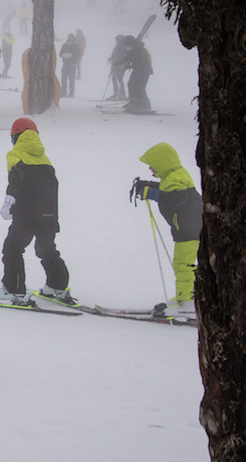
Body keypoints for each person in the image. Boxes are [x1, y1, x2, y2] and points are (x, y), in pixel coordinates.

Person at [0, 118, 74, 304]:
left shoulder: (15, 154)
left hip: (27, 213)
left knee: (13, 248)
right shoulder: (44, 158)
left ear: (16, 136)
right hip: (49, 214)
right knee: (46, 249)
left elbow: (16, 179)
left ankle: (13, 289)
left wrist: (9, 200)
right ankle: (57, 285)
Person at [130, 143, 202, 318]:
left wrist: (152, 193)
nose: (149, 167)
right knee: (182, 265)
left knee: (184, 266)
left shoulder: (176, 179)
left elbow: (177, 198)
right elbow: (167, 190)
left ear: (162, 163)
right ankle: (182, 299)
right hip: (187, 229)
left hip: (189, 231)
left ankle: (187, 304)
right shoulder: (173, 176)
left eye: (152, 163)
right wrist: (148, 186)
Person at [120, 36, 152, 113]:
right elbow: (127, 58)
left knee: (140, 87)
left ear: (133, 44)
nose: (128, 47)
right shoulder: (133, 50)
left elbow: (141, 62)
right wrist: (117, 63)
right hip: (137, 70)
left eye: (129, 45)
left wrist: (130, 66)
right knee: (131, 84)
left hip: (144, 71)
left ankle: (145, 105)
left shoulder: (141, 50)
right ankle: (134, 102)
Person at [106, 35, 128, 101]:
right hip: (115, 65)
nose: (116, 41)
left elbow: (124, 57)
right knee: (115, 79)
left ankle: (121, 95)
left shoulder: (122, 47)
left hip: (120, 66)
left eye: (117, 40)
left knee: (119, 79)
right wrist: (111, 59)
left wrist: (121, 63)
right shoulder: (117, 47)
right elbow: (114, 55)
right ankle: (117, 93)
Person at [59, 34, 81, 98]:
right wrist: (63, 55)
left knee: (71, 80)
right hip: (65, 64)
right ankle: (63, 93)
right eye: (68, 37)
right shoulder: (64, 45)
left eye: (71, 38)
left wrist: (71, 56)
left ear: (73, 38)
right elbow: (60, 54)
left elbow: (78, 55)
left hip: (72, 65)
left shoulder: (76, 46)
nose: (69, 39)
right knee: (63, 79)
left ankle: (71, 94)